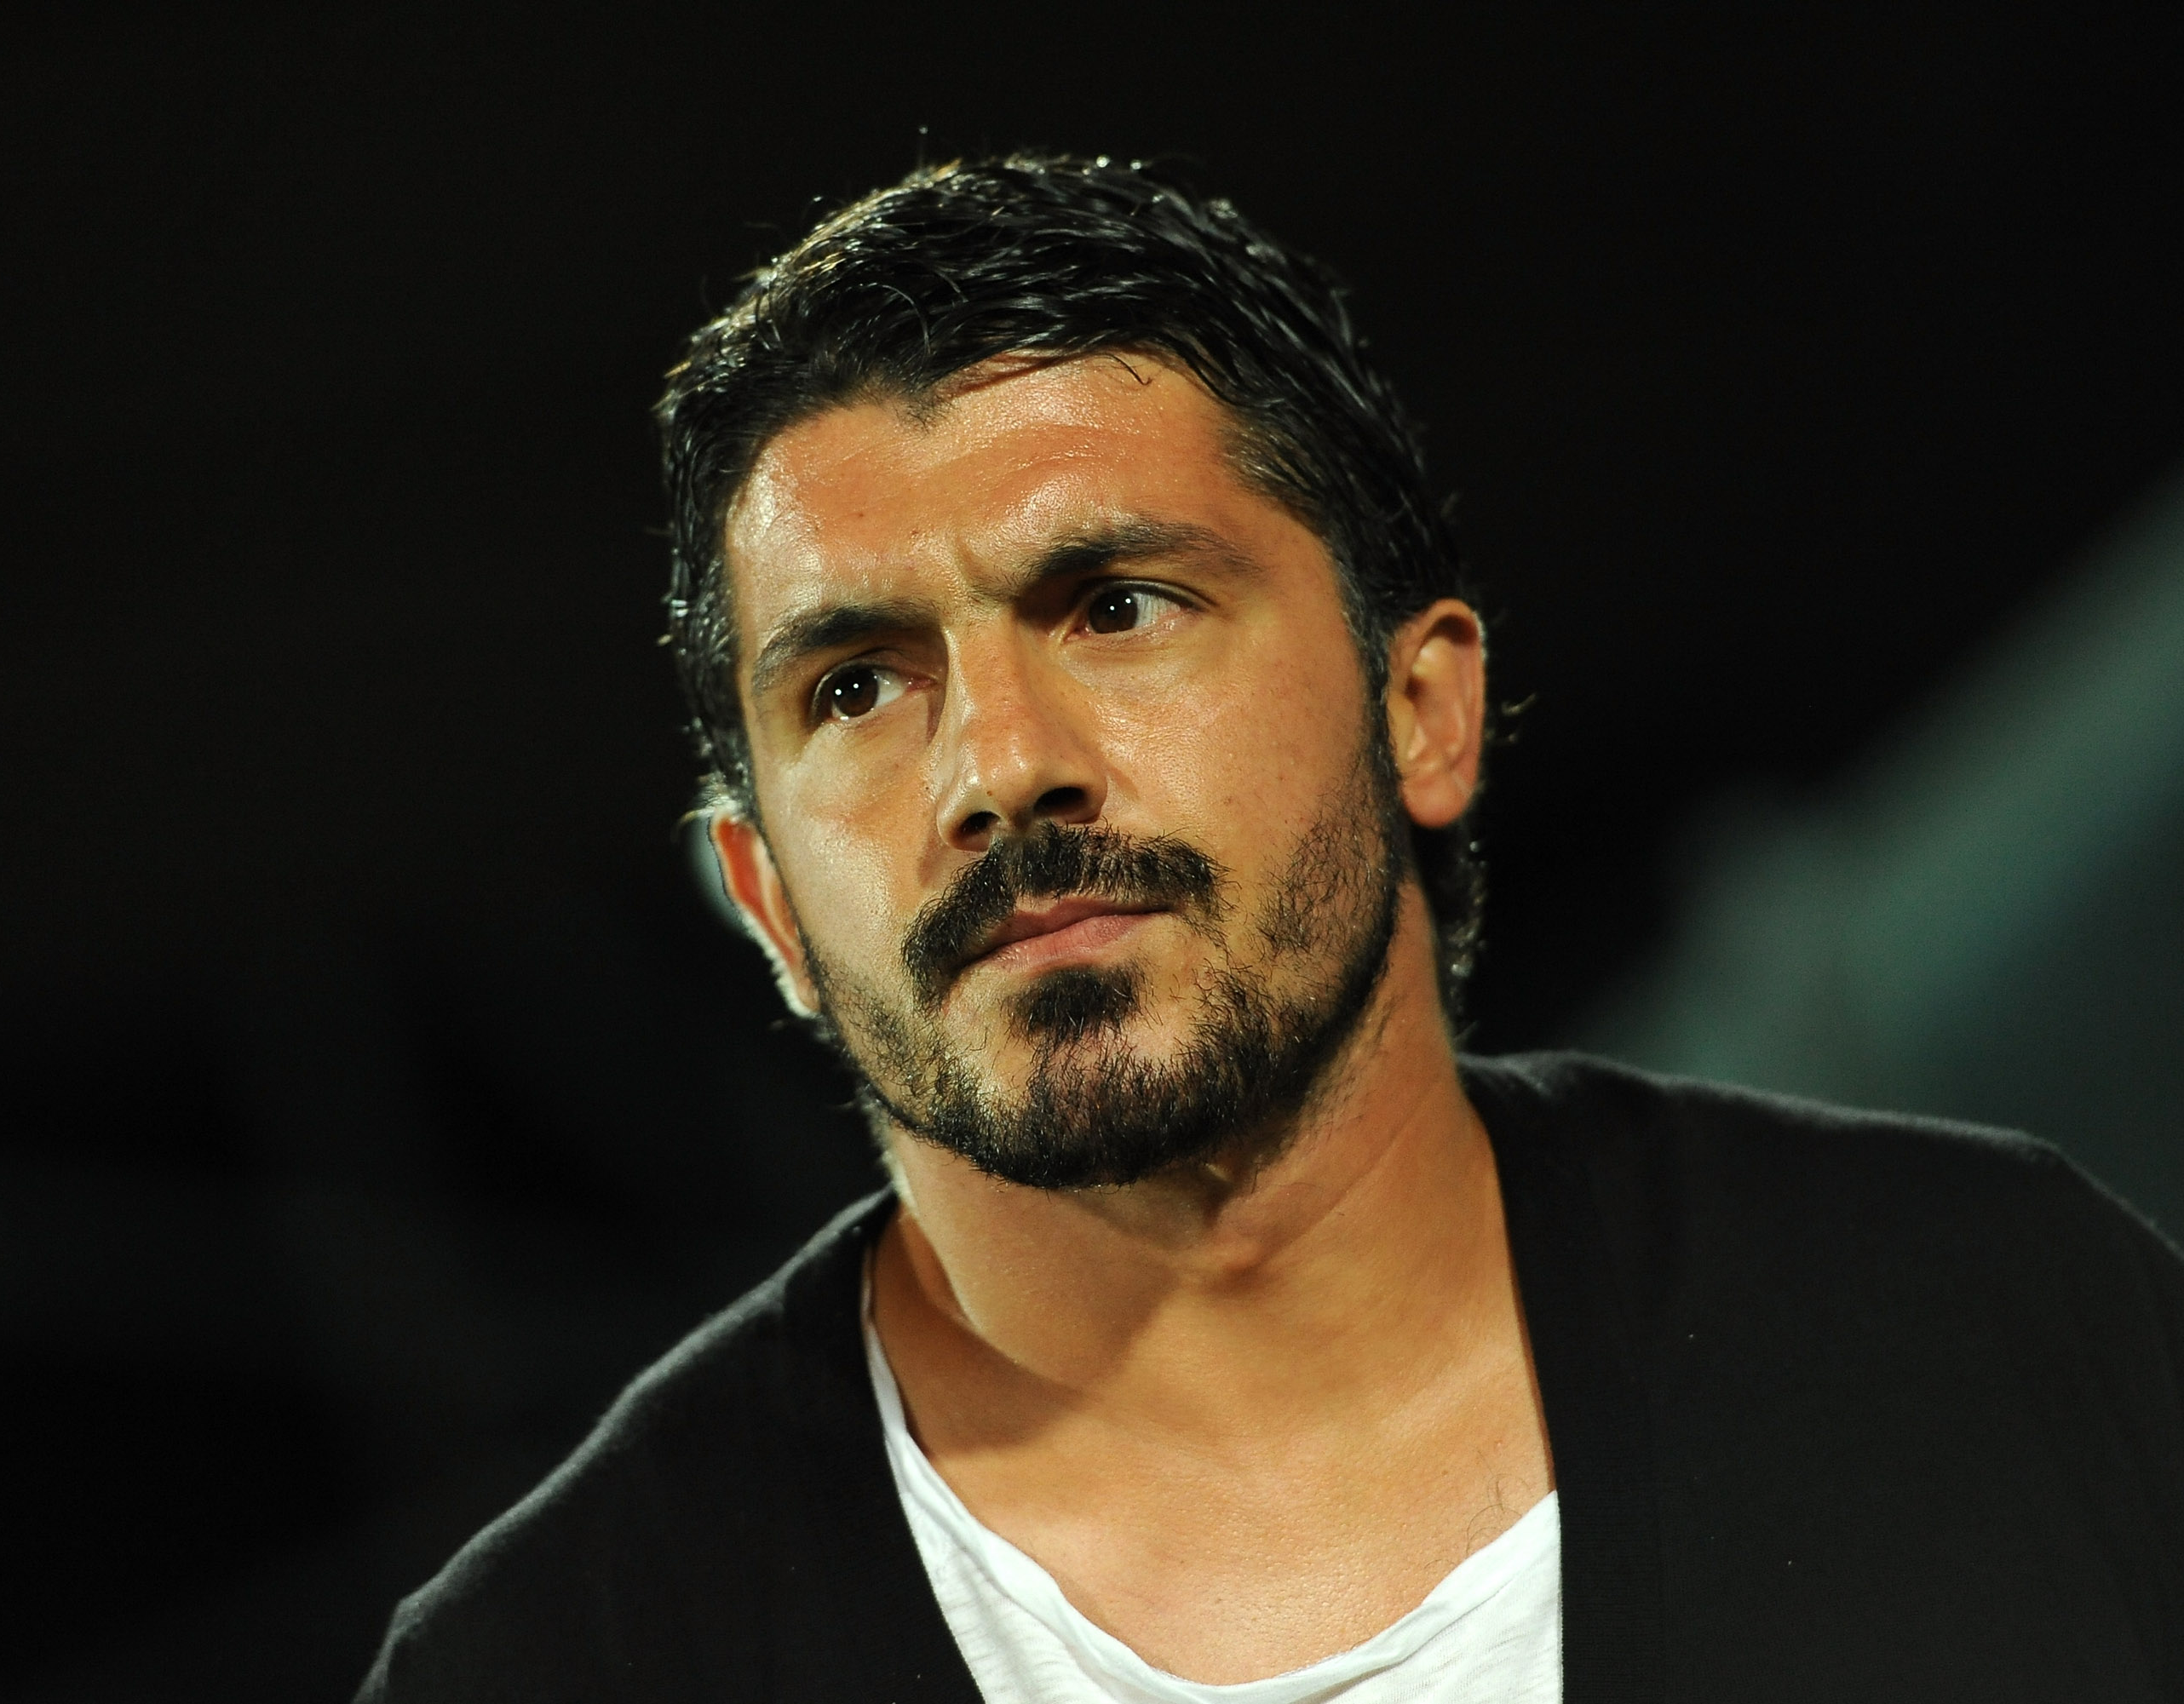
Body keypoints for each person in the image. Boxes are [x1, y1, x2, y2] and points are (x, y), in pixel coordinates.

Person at [356, 157, 2184, 1702]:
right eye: (856, 684)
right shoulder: (551, 1665)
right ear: (766, 899)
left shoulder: (1999, 1328)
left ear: (1424, 710)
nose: (999, 765)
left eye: (1116, 603)